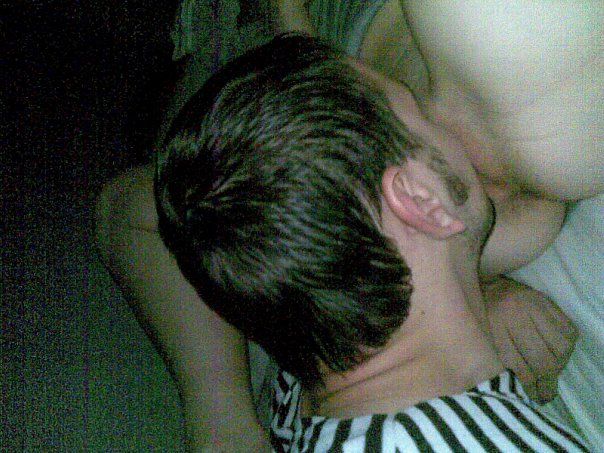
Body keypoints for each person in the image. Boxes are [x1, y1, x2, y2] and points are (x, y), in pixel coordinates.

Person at [95, 1, 602, 450]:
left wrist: (224, 431)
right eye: (421, 110)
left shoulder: (325, 347)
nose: (443, 121)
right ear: (420, 201)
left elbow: (131, 206)